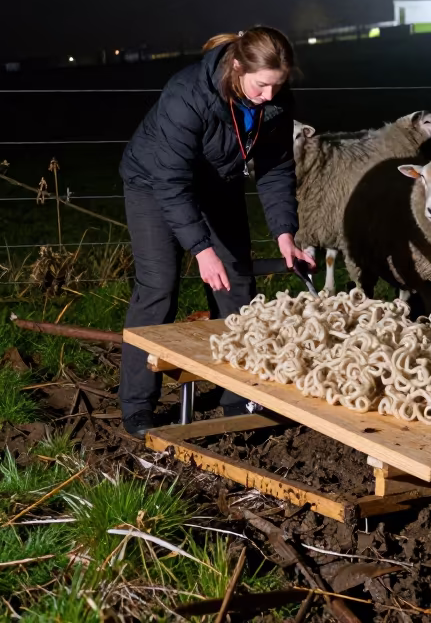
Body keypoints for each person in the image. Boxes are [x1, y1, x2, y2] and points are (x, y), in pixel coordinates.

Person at [118, 26, 314, 437]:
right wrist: (202, 250)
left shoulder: (275, 101)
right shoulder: (188, 94)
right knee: (159, 286)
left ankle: (238, 399)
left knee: (237, 287)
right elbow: (172, 182)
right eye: (261, 86)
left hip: (219, 184)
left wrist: (284, 234)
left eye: (278, 87)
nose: (269, 97)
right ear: (238, 68)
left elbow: (277, 169)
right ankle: (137, 405)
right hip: (155, 184)